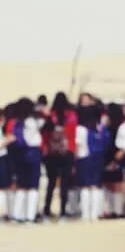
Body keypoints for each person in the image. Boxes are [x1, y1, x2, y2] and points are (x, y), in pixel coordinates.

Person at [42, 91, 78, 220]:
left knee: (51, 183)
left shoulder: (50, 116)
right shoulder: (72, 116)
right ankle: (63, 211)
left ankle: (47, 210)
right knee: (65, 183)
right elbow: (73, 135)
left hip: (52, 153)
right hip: (68, 151)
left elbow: (45, 134)